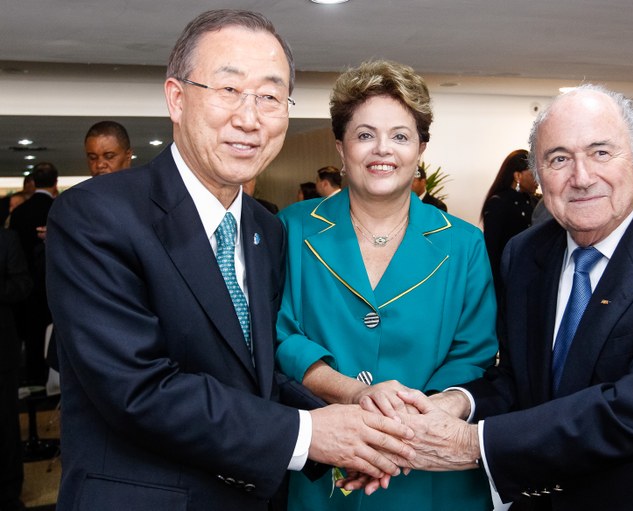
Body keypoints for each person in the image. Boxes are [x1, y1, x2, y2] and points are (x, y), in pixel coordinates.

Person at [45, 11, 414, 511]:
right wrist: (310, 434)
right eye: (229, 90)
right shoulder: (96, 215)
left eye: (270, 97)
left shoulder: (266, 228)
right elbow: (138, 389)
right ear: (177, 98)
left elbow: (254, 376)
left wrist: (350, 409)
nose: (249, 118)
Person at [387, 84, 633, 510]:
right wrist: (457, 402)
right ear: (538, 173)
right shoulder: (526, 253)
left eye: (601, 152)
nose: (581, 178)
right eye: (559, 158)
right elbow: (519, 379)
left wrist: (473, 443)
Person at [275, 59, 497, 511]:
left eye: (400, 136)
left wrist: (407, 427)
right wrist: (353, 393)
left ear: (420, 148)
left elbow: (473, 353)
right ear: (341, 147)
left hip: (430, 470)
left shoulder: (465, 243)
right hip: (327, 468)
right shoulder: (291, 228)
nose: (382, 150)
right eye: (364, 135)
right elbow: (280, 335)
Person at [9, 162, 58, 385]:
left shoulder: (19, 212)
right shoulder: (59, 208)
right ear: (55, 182)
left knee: (32, 337)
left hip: (27, 286)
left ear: (34, 182)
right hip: (54, 284)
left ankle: (33, 380)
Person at [0, 229, 33, 511]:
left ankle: (8, 493)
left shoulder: (6, 239)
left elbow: (23, 284)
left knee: (6, 425)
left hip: (2, 350)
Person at [481, 149, 538, 301]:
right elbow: (492, 251)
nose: (537, 180)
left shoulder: (535, 202)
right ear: (518, 176)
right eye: (533, 174)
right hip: (507, 282)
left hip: (533, 279)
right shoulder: (499, 203)